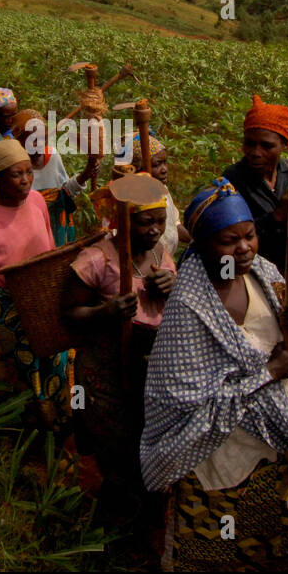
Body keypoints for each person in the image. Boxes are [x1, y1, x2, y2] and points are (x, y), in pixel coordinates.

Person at [141, 178, 288, 571]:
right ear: (202, 244)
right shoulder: (188, 309)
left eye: (250, 235)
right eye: (228, 241)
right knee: (217, 548)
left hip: (271, 439)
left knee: (273, 535)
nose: (243, 248)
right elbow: (186, 404)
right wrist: (268, 372)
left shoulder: (264, 273)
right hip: (216, 451)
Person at [62, 174, 177, 527]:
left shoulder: (160, 254)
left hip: (150, 365)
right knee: (116, 444)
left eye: (160, 221)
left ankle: (144, 512)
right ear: (123, 221)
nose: (155, 230)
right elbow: (69, 314)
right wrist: (106, 312)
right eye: (145, 222)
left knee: (147, 437)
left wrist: (170, 287)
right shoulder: (97, 259)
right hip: (106, 367)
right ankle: (113, 520)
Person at [0, 138, 69, 423]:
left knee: (55, 362)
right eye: (16, 174)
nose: (25, 180)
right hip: (7, 308)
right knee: (23, 373)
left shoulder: (37, 202)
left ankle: (60, 422)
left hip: (42, 300)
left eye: (28, 172)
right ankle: (29, 430)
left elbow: (49, 248)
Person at [220, 95, 288, 272]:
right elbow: (227, 238)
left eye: (267, 146)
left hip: (285, 271)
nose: (256, 153)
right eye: (250, 144)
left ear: (284, 145)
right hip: (247, 273)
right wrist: (278, 216)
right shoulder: (232, 179)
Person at [13, 109, 98, 245]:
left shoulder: (52, 155)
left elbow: (65, 192)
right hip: (30, 234)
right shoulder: (14, 168)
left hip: (59, 229)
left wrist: (85, 174)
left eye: (43, 138)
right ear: (20, 141)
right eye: (33, 140)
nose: (40, 144)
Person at [114, 128, 189, 255]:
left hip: (164, 261)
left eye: (164, 162)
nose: (164, 169)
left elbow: (174, 225)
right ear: (137, 168)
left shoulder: (163, 190)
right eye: (157, 164)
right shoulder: (127, 200)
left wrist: (196, 242)